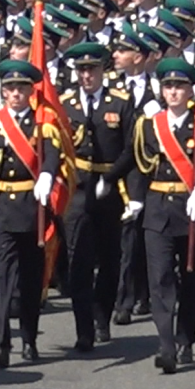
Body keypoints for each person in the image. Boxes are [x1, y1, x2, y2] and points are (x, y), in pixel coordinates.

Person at [114, 58, 195, 373]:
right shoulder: (149, 123)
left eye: (180, 86)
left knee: (191, 279)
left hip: (189, 208)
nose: (173, 92)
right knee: (159, 279)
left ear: (190, 90)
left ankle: (186, 338)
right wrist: (107, 182)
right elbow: (132, 158)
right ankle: (166, 344)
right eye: (168, 86)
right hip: (158, 208)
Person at [0, 59, 64, 366]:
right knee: (1, 278)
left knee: (29, 277)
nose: (15, 93)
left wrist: (47, 175)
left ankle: (29, 337)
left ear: (30, 91)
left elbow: (52, 155)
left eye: (21, 88)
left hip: (30, 205)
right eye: (9, 88)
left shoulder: (43, 121)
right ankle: (0, 341)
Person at [60, 42, 134, 350]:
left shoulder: (120, 102)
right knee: (79, 260)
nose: (86, 75)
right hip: (76, 190)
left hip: (108, 189)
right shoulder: (64, 104)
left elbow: (131, 147)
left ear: (103, 70)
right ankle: (83, 329)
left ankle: (102, 316)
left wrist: (112, 178)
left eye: (91, 69)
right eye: (81, 70)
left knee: (110, 259)